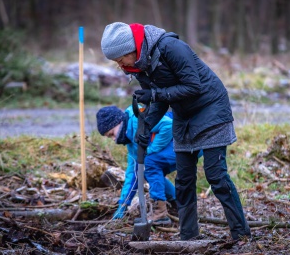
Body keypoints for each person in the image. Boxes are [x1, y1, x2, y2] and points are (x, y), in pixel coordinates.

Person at [100, 22, 251, 241]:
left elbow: (192, 86)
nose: (119, 65)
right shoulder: (138, 67)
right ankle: (188, 237)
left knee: (216, 176)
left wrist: (153, 95)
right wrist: (146, 127)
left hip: (211, 109)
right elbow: (160, 101)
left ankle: (241, 234)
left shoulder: (170, 47)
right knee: (183, 179)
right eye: (116, 62)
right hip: (184, 115)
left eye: (120, 58)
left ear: (131, 48)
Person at [96, 105, 177, 226]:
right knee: (143, 169)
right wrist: (123, 205)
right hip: (171, 146)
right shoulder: (131, 144)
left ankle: (160, 214)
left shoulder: (139, 118)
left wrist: (151, 150)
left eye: (112, 133)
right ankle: (177, 203)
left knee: (150, 162)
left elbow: (168, 125)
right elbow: (133, 174)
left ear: (119, 122)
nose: (113, 139)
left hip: (186, 139)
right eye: (110, 137)